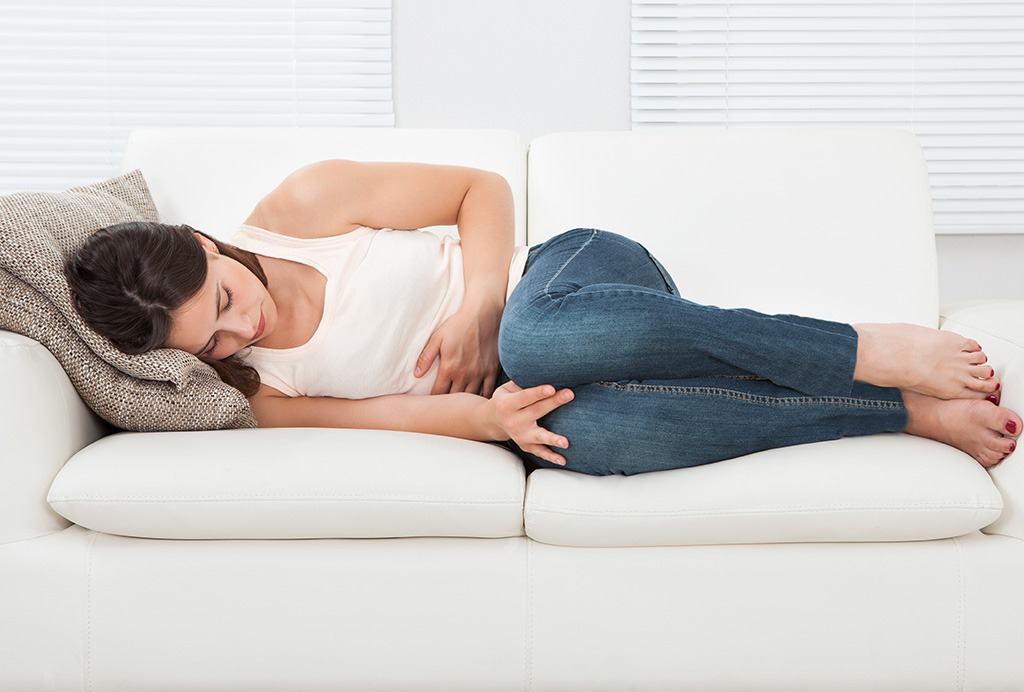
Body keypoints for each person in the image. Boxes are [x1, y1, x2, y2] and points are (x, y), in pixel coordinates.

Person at [65, 161, 1020, 475]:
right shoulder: (259, 388)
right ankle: (897, 410)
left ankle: (857, 345)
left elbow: (481, 192)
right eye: (214, 343)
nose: (244, 333)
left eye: (226, 301)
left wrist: (484, 305)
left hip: (574, 280)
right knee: (573, 438)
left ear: (209, 243)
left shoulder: (306, 206)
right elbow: (388, 416)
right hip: (562, 374)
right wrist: (489, 419)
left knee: (531, 334)